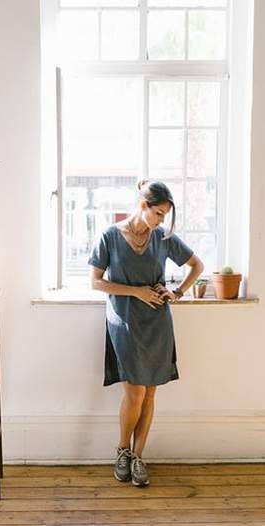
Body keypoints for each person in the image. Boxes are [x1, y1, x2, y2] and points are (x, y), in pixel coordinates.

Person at [88, 179, 204, 487]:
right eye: (159, 214)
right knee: (135, 391)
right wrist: (136, 292)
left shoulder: (163, 238)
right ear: (143, 206)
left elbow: (197, 265)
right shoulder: (110, 236)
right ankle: (122, 450)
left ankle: (139, 456)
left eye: (165, 216)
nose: (161, 221)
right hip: (124, 321)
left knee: (150, 391)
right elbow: (96, 282)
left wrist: (177, 292)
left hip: (158, 322)